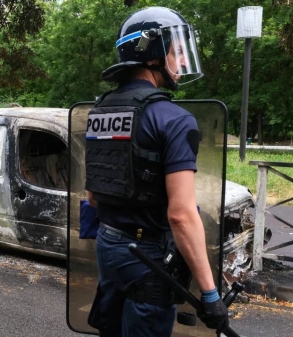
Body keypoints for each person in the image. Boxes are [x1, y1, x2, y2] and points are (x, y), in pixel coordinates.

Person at [85, 6, 229, 337]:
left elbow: (93, 196)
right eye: (176, 52)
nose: (181, 62)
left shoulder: (100, 110)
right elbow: (181, 215)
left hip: (109, 247)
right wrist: (210, 295)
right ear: (150, 54)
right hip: (147, 258)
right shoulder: (175, 120)